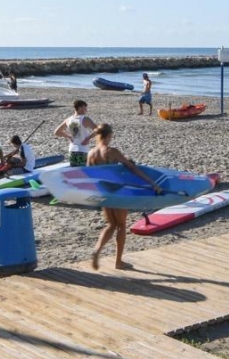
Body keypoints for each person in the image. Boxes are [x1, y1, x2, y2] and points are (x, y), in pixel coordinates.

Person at [87, 123, 161, 271]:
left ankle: (97, 250)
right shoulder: (112, 151)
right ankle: (118, 261)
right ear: (108, 136)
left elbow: (89, 175)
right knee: (121, 226)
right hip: (119, 192)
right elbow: (132, 168)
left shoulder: (91, 154)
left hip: (104, 193)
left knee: (111, 224)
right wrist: (152, 183)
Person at [54, 99, 97, 167]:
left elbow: (57, 132)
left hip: (72, 149)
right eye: (85, 108)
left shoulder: (68, 119)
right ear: (80, 108)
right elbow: (98, 130)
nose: (86, 110)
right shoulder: (85, 119)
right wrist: (88, 138)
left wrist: (68, 136)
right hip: (82, 149)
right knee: (82, 172)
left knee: (74, 170)